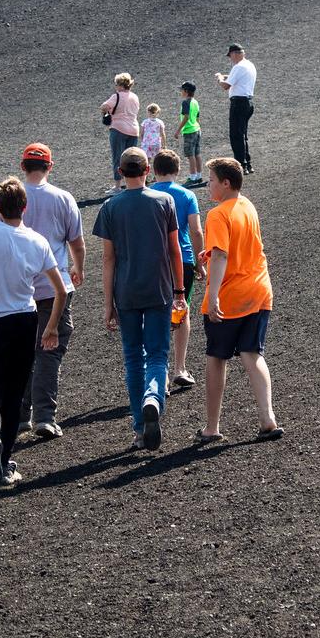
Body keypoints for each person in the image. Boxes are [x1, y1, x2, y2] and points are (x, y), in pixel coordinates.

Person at [0, 177, 67, 488]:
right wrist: (50, 328)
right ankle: (4, 463)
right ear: (25, 207)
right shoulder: (37, 241)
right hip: (27, 321)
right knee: (13, 395)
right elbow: (59, 292)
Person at [0, 143, 84, 440]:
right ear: (50, 166)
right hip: (55, 287)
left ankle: (21, 414)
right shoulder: (63, 198)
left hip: (19, 290)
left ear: (22, 165)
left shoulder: (10, 199)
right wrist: (78, 267)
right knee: (49, 353)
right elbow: (76, 242)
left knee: (22, 353)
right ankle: (44, 416)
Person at [94, 147, 183, 450]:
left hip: (126, 291)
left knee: (133, 358)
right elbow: (175, 251)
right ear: (148, 170)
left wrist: (108, 305)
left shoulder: (110, 207)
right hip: (159, 288)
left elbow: (108, 259)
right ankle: (153, 399)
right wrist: (179, 291)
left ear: (120, 172)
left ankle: (139, 427)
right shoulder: (165, 201)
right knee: (157, 355)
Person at [194, 157, 282, 445]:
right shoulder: (247, 206)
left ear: (226, 183)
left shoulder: (218, 214)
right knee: (252, 354)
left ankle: (211, 427)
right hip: (258, 290)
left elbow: (221, 255)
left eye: (212, 180)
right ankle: (267, 418)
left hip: (231, 296)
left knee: (216, 358)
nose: (209, 185)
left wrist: (214, 294)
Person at [150, 148, 204, 391]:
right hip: (183, 258)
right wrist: (200, 262)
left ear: (154, 169)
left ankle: (157, 371)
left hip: (154, 260)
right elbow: (196, 230)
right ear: (178, 169)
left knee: (155, 311)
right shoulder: (186, 195)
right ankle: (179, 368)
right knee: (182, 308)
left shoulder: (148, 194)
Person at [216, 44, 257, 174]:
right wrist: (226, 75)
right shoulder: (249, 65)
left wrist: (219, 78)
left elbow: (225, 86)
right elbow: (236, 77)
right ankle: (247, 164)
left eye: (230, 55)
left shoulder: (238, 67)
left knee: (236, 136)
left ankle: (241, 165)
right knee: (242, 135)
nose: (230, 58)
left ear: (235, 53)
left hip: (238, 103)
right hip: (248, 102)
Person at [100, 73, 141, 188]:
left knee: (118, 158)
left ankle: (117, 186)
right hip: (133, 130)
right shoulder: (135, 97)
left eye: (116, 84)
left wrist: (106, 113)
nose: (115, 87)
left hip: (118, 129)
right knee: (131, 158)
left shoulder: (116, 96)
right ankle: (131, 184)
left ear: (121, 85)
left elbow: (104, 107)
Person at [178, 81, 204, 186]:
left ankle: (192, 177)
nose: (181, 92)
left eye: (182, 90)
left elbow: (186, 117)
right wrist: (198, 128)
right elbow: (197, 117)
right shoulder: (195, 102)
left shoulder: (185, 102)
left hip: (189, 131)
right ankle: (199, 175)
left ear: (186, 91)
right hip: (197, 129)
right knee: (197, 154)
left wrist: (178, 130)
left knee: (190, 155)